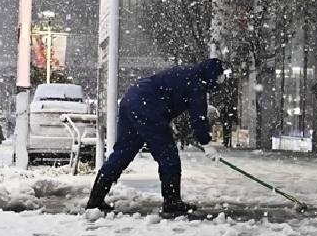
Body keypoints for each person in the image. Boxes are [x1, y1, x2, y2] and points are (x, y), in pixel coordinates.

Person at [86, 58, 226, 219]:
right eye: (219, 78)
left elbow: (169, 95)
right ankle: (172, 202)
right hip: (148, 107)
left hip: (131, 99)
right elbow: (198, 117)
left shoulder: (188, 73)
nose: (219, 82)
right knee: (168, 156)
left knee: (123, 152)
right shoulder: (197, 83)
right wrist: (206, 143)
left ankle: (95, 199)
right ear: (212, 75)